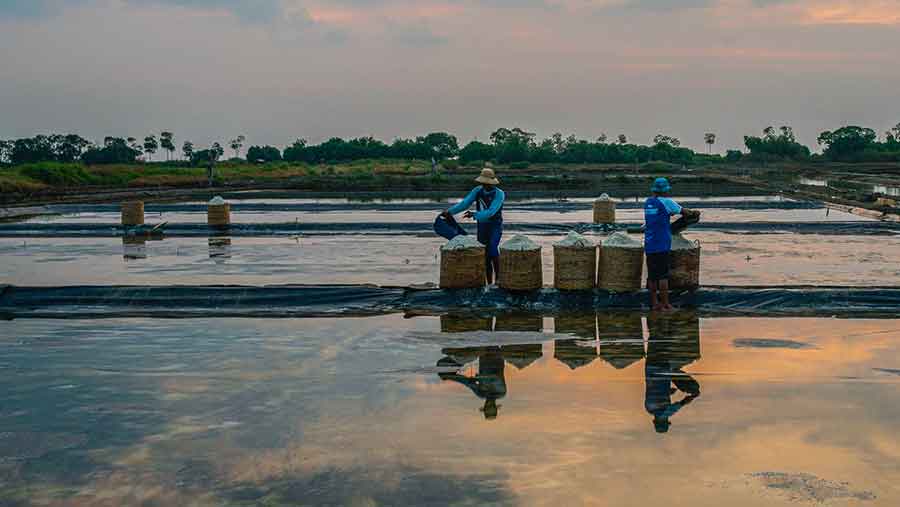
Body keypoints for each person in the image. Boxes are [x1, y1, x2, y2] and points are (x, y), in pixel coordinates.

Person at [442, 167, 505, 284]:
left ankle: (498, 279)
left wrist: (474, 214)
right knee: (485, 253)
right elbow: (465, 203)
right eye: (483, 183)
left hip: (495, 225)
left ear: (492, 182)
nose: (485, 185)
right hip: (482, 226)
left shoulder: (499, 194)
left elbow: (491, 211)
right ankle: (489, 282)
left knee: (492, 248)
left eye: (487, 183)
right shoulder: (477, 190)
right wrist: (449, 212)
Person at [644, 177, 686, 311]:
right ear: (665, 190)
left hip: (649, 243)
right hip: (662, 244)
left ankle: (655, 303)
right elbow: (684, 212)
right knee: (663, 276)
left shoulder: (648, 202)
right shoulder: (667, 201)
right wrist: (694, 213)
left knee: (652, 276)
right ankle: (666, 304)